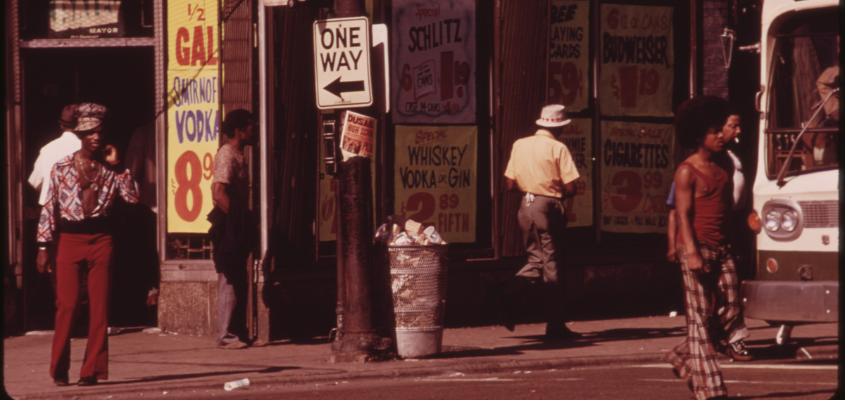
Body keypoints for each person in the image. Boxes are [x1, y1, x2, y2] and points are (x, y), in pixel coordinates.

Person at [36, 103, 140, 386]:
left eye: (100, 132)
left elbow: (132, 197)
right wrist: (43, 247)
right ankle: (59, 368)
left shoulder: (110, 167)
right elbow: (49, 207)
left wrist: (119, 166)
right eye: (91, 132)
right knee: (67, 306)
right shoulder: (61, 167)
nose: (96, 136)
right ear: (81, 134)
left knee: (99, 308)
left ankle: (91, 371)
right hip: (69, 240)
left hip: (102, 240)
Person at [665, 96, 747, 400]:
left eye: (719, 130)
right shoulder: (686, 171)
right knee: (699, 317)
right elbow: (682, 215)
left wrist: (733, 245)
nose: (719, 136)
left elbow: (725, 211)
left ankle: (680, 355)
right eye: (714, 132)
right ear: (699, 136)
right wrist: (691, 253)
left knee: (732, 308)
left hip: (722, 247)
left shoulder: (723, 166)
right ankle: (710, 390)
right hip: (696, 247)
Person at [499, 104, 580, 339]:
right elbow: (571, 188)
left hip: (525, 206)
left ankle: (508, 293)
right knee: (553, 265)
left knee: (537, 260)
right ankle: (555, 324)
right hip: (548, 208)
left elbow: (510, 185)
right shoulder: (558, 147)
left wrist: (532, 192)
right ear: (560, 127)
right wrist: (552, 194)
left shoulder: (520, 144)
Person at [207, 109, 257, 349]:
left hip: (235, 221)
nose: (253, 133)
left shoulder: (238, 155)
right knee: (229, 277)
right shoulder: (227, 155)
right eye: (250, 129)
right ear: (239, 132)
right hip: (229, 223)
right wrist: (238, 222)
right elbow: (218, 193)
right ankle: (225, 335)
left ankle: (235, 331)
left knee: (236, 276)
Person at [29, 104, 81, 280]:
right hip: (80, 218)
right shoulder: (87, 148)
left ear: (61, 124)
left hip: (53, 219)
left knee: (59, 272)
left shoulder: (47, 149)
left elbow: (35, 182)